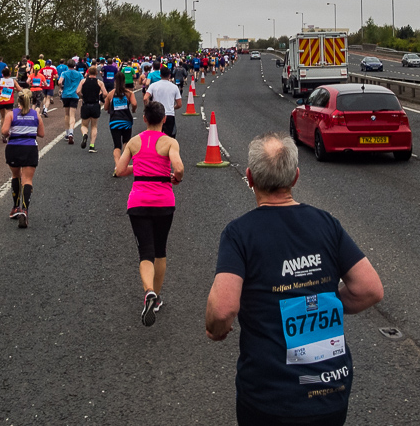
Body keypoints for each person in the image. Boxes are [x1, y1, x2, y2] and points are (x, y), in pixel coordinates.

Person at [205, 134, 384, 426]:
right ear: (296, 177)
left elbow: (223, 310)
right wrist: (317, 302)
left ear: (250, 178)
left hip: (269, 397)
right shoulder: (327, 224)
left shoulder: (239, 234)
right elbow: (370, 289)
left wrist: (215, 329)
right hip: (330, 391)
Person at [113, 100, 183, 327]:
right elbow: (179, 168)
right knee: (160, 250)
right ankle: (157, 296)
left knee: (145, 251)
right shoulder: (169, 142)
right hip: (164, 201)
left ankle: (149, 292)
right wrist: (176, 178)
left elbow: (120, 170)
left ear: (144, 119)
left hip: (139, 202)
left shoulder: (134, 142)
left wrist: (139, 167)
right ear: (164, 119)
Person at [1, 89, 45, 228]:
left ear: (18, 101)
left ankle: (15, 207)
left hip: (14, 148)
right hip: (30, 148)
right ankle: (24, 210)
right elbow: (42, 134)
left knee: (15, 176)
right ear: (30, 100)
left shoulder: (11, 114)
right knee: (27, 180)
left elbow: (4, 132)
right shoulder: (36, 115)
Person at [104, 70, 137, 170]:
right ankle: (124, 164)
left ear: (115, 81)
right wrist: (133, 109)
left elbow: (105, 107)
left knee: (117, 145)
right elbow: (135, 104)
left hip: (114, 121)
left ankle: (117, 165)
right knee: (126, 143)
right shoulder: (129, 93)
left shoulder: (111, 94)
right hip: (126, 120)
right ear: (124, 81)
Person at [144, 66, 182, 139]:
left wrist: (149, 107)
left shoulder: (153, 85)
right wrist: (173, 107)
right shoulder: (174, 87)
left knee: (155, 137)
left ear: (160, 75)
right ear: (169, 75)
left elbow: (145, 98)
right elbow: (179, 104)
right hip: (169, 114)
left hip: (156, 113)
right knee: (170, 138)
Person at [76, 65, 107, 153]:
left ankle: (85, 134)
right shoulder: (99, 82)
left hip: (86, 104)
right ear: (96, 73)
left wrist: (82, 96)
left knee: (84, 125)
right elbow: (105, 93)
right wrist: (100, 96)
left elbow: (77, 91)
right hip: (95, 104)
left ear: (88, 72)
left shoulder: (83, 81)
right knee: (94, 126)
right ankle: (92, 146)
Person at [59, 59, 85, 143]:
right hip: (74, 95)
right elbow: (83, 81)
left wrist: (61, 87)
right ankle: (71, 133)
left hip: (66, 94)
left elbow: (59, 81)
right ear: (75, 65)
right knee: (72, 115)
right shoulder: (78, 74)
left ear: (67, 65)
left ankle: (66, 134)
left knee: (67, 114)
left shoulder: (64, 73)